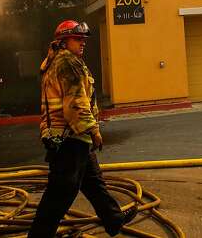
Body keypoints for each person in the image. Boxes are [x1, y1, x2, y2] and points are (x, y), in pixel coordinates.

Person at [27, 20, 136, 238]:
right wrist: (93, 131)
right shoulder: (68, 64)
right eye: (78, 39)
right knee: (60, 194)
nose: (83, 42)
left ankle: (113, 220)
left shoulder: (58, 61)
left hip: (74, 137)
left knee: (94, 183)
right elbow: (75, 105)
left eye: (83, 39)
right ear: (64, 41)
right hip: (70, 138)